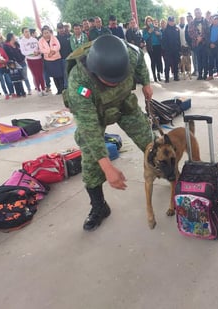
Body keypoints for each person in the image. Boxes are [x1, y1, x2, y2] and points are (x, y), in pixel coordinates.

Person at [64, 34, 153, 231]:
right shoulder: (79, 81)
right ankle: (99, 207)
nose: (114, 82)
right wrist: (108, 168)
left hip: (124, 105)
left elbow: (140, 59)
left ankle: (169, 176)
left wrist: (146, 82)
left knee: (151, 143)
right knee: (91, 162)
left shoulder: (129, 54)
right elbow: (89, 129)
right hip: (95, 114)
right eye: (109, 80)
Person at [20, 27, 46, 96]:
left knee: (40, 75)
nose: (27, 33)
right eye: (25, 32)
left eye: (28, 31)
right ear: (23, 33)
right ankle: (39, 90)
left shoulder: (34, 39)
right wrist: (32, 53)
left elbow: (40, 48)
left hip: (39, 58)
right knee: (35, 75)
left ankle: (43, 89)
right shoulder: (22, 41)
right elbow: (23, 52)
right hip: (31, 60)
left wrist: (38, 52)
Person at [38, 26, 65, 94]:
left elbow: (58, 46)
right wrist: (49, 52)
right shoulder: (40, 40)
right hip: (48, 61)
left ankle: (63, 89)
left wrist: (53, 51)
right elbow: (41, 49)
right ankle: (58, 90)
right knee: (54, 76)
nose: (46, 34)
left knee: (60, 75)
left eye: (47, 32)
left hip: (57, 59)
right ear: (42, 34)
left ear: (50, 32)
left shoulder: (54, 38)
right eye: (44, 33)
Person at [188, 8, 210, 80]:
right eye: (196, 13)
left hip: (204, 43)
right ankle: (200, 74)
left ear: (201, 13)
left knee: (205, 60)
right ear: (194, 14)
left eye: (199, 12)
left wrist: (202, 37)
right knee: (199, 60)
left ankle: (205, 74)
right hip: (196, 44)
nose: (197, 14)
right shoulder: (192, 23)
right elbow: (190, 32)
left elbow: (208, 31)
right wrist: (197, 38)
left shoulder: (206, 21)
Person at [142, 16, 163, 82]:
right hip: (150, 47)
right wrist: (149, 32)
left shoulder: (156, 27)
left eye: (150, 21)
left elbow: (161, 35)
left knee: (158, 60)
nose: (149, 22)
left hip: (158, 46)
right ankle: (154, 76)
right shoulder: (145, 29)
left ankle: (158, 74)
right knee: (153, 61)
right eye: (148, 21)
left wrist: (159, 33)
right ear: (146, 22)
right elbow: (144, 38)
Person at [162, 16, 181, 82]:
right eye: (170, 21)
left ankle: (176, 76)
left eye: (173, 21)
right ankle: (166, 78)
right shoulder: (165, 30)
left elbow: (179, 40)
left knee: (176, 64)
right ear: (168, 22)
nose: (172, 22)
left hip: (176, 49)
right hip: (168, 50)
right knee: (167, 64)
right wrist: (165, 50)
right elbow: (163, 41)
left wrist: (179, 49)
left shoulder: (177, 29)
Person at [56, 22, 72, 89]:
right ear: (57, 29)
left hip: (71, 57)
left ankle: (72, 85)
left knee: (71, 71)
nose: (61, 30)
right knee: (65, 73)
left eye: (62, 28)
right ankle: (66, 87)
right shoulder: (56, 38)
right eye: (59, 28)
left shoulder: (69, 36)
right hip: (62, 58)